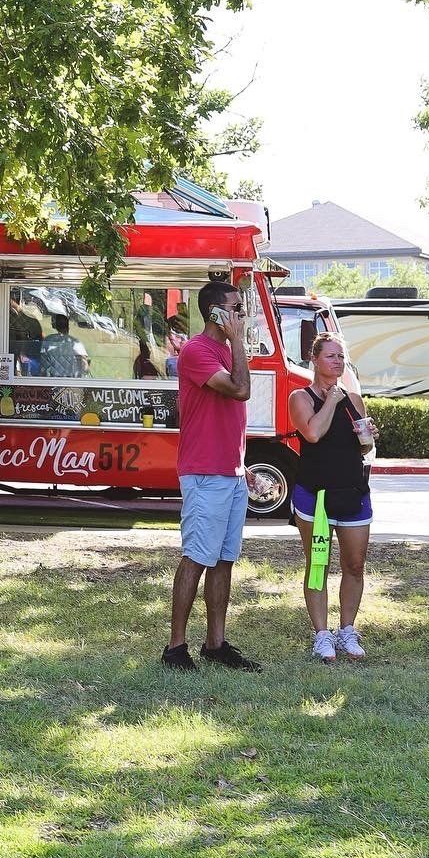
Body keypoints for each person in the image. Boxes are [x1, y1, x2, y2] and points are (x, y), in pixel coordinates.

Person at [161, 278, 259, 673]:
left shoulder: (226, 350)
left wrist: (241, 464)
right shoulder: (197, 351)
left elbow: (228, 418)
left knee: (223, 560)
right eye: (236, 309)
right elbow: (240, 390)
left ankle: (215, 644)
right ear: (215, 312)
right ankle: (175, 647)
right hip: (204, 473)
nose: (242, 315)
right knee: (197, 558)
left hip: (230, 472)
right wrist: (238, 341)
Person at [290, 332, 374, 662]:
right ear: (315, 359)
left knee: (355, 565)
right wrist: (331, 401)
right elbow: (312, 433)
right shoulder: (301, 397)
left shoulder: (354, 399)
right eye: (330, 356)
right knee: (318, 565)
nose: (338, 361)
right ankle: (322, 634)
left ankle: (348, 630)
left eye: (341, 356)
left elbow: (363, 447)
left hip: (352, 492)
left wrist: (368, 437)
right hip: (316, 496)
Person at [39, 313, 89, 377]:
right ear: (68, 326)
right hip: (72, 381)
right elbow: (85, 368)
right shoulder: (76, 343)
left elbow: (43, 367)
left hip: (53, 380)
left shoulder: (48, 340)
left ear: (55, 325)